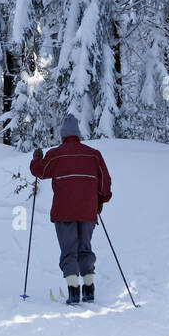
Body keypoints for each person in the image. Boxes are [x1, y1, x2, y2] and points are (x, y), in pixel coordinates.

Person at [30, 114, 112, 304]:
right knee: (85, 248)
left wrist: (36, 159)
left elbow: (40, 172)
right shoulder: (93, 154)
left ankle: (73, 291)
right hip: (87, 211)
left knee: (69, 250)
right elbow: (105, 181)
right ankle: (89, 289)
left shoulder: (55, 155)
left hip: (63, 212)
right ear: (78, 134)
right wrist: (101, 199)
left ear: (63, 135)